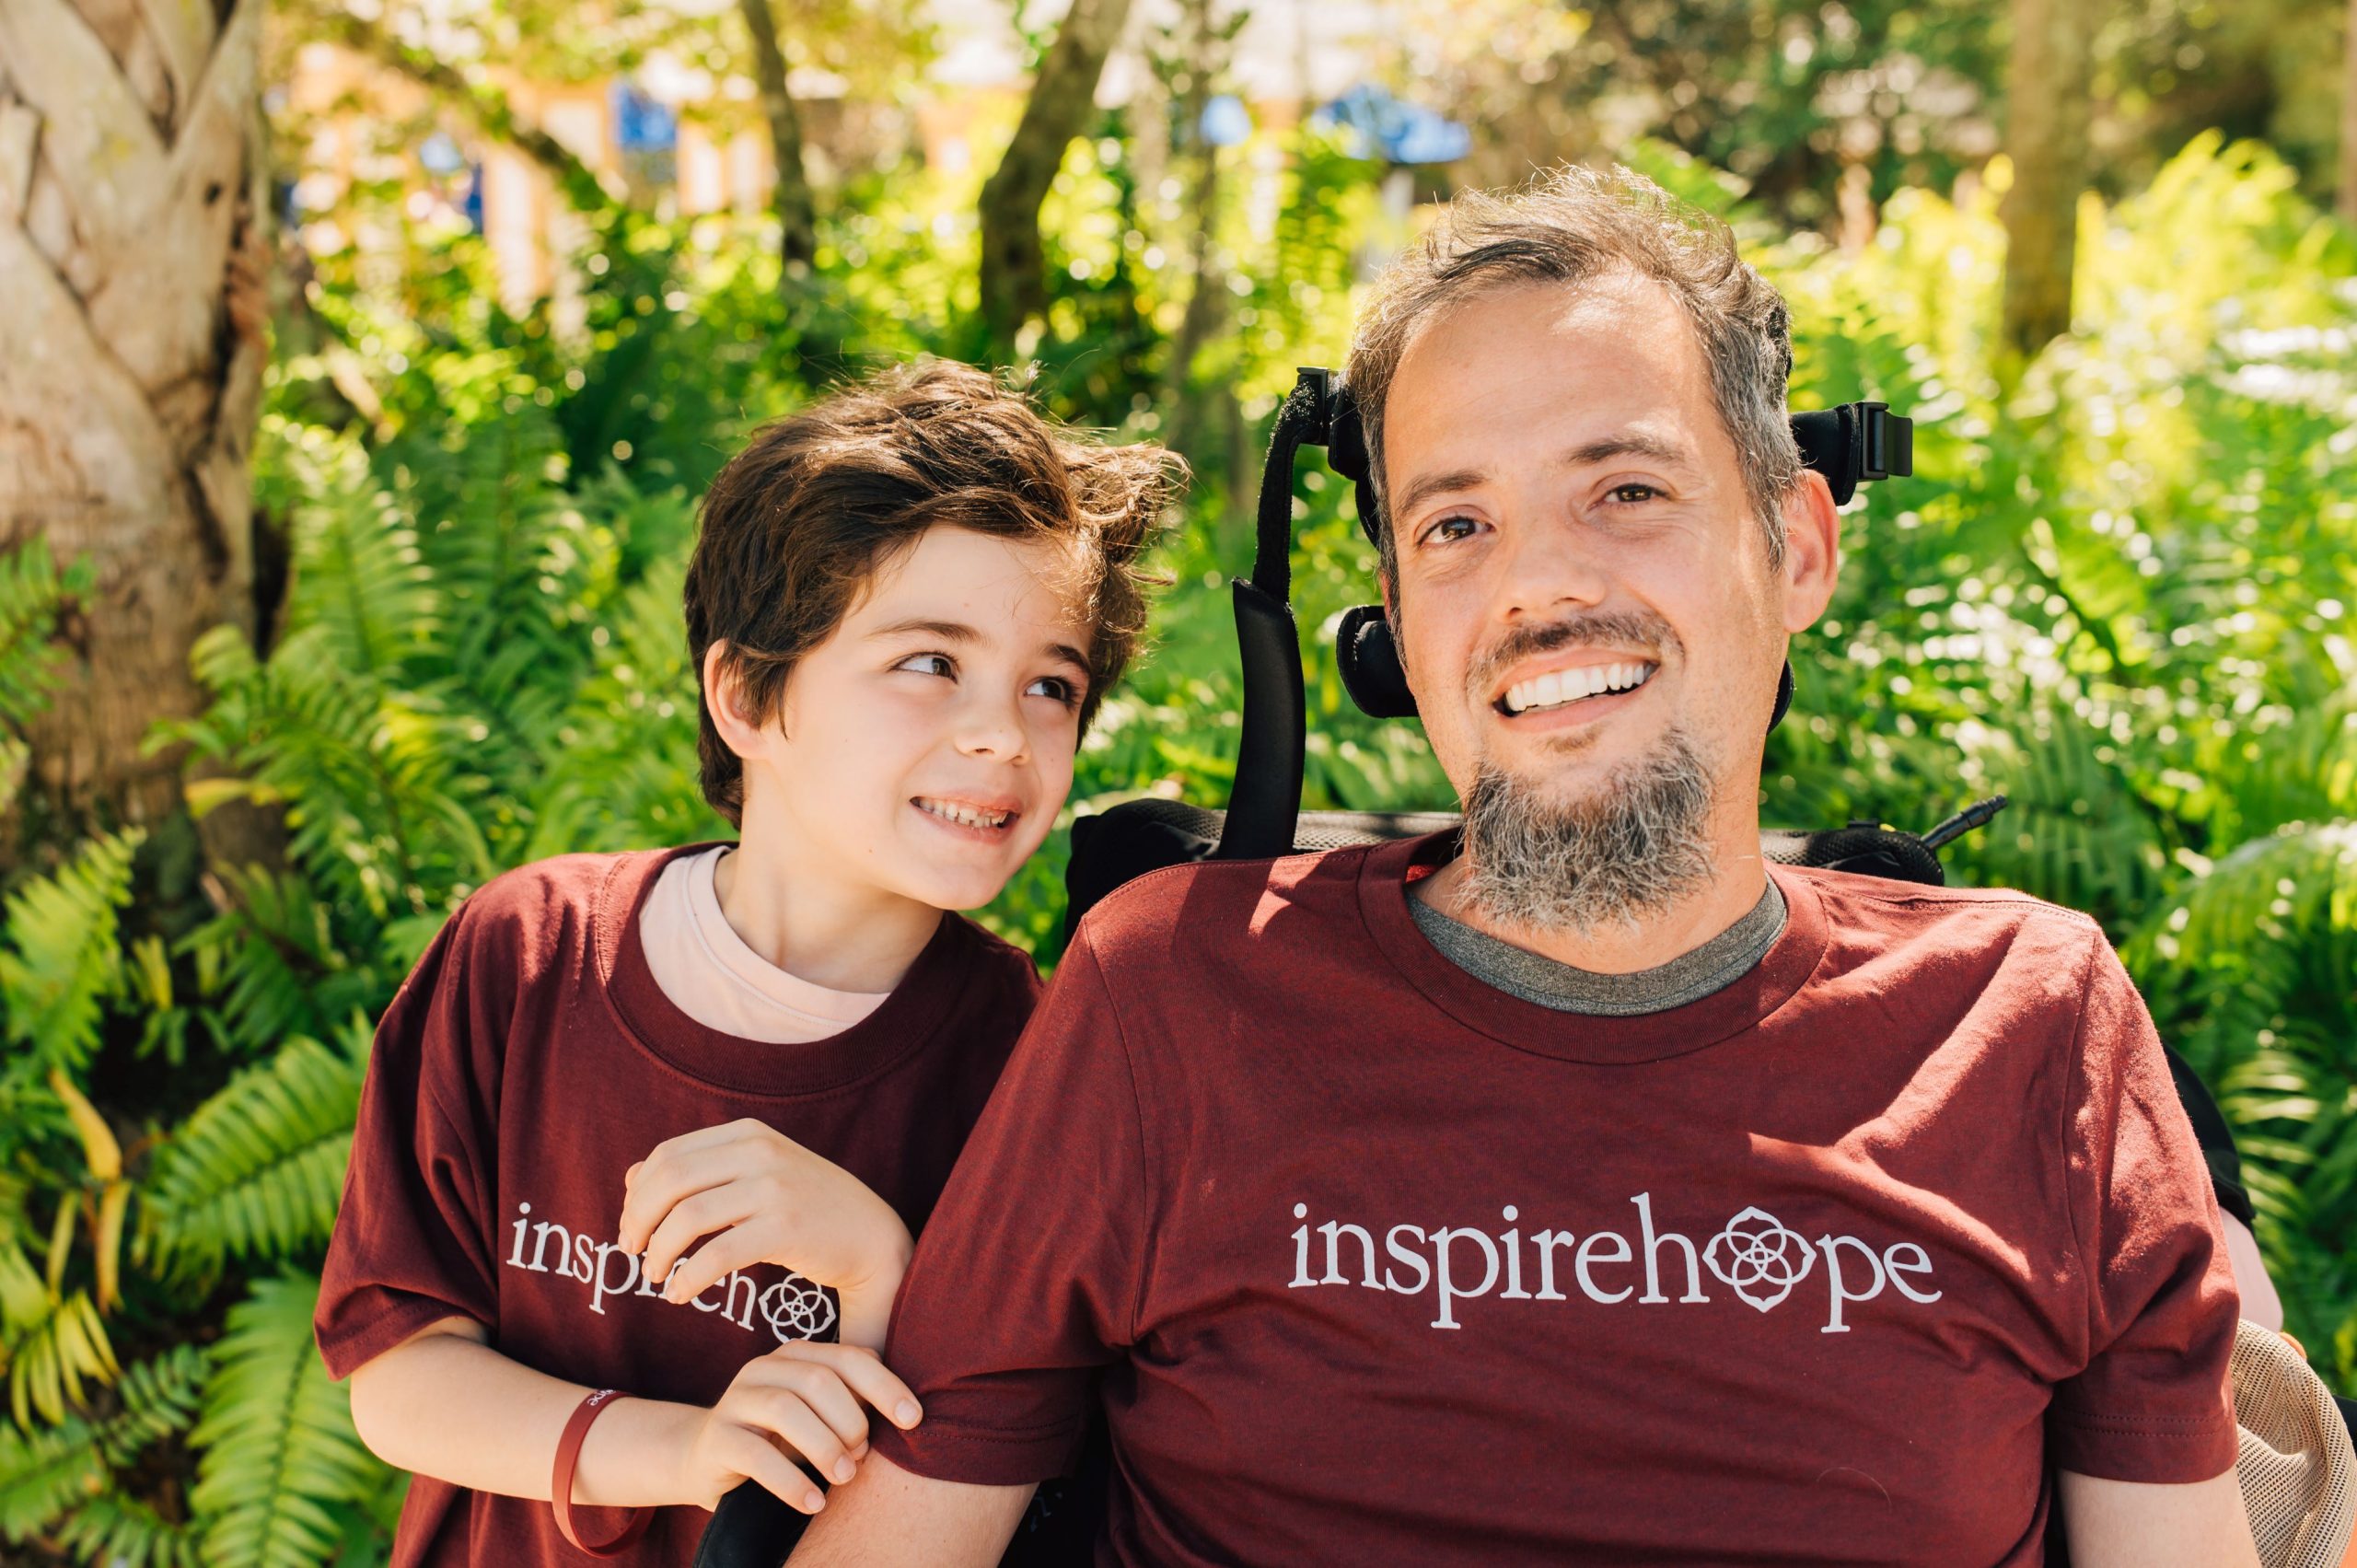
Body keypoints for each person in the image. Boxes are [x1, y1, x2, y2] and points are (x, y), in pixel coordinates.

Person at [788, 167, 2263, 1566]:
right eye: (1458, 524)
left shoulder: (2034, 1024)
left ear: (1797, 545)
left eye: (1625, 490)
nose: (1539, 585)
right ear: (1394, 625)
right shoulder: (1171, 996)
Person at [311, 361, 1178, 1564]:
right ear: (746, 696)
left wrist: (880, 1266)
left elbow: (984, 1481)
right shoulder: (524, 957)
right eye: (931, 661)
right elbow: (397, 1377)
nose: (1001, 733)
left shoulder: (1030, 1057)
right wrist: (682, 1448)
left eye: (1052, 685)